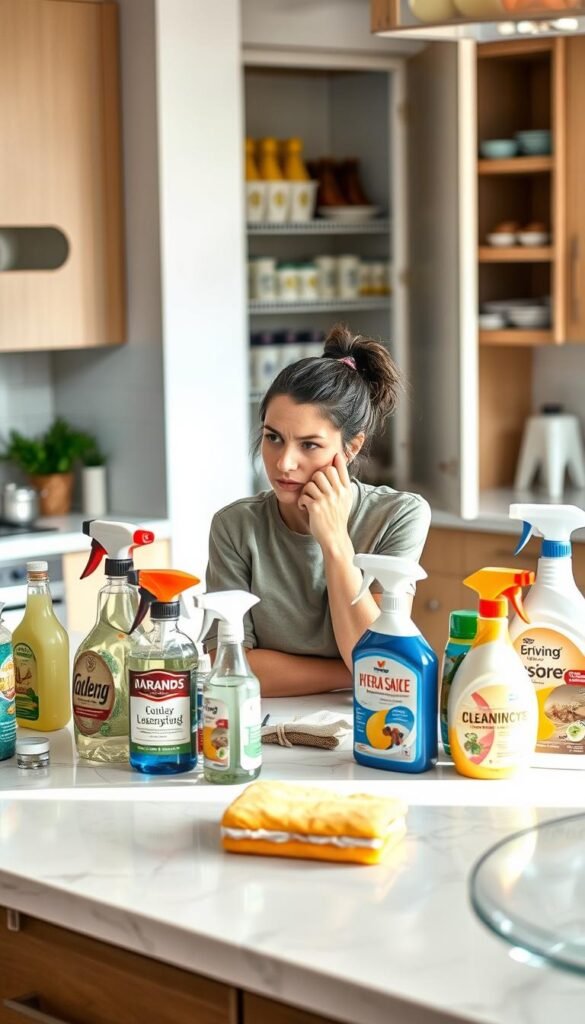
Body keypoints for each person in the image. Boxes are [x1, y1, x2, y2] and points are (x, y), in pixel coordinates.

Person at [205, 324, 431, 696]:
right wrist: (351, 674)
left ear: (351, 448)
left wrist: (335, 541)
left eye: (309, 445)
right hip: (261, 724)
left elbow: (378, 662)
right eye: (273, 438)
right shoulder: (235, 526)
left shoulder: (399, 517)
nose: (284, 463)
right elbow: (227, 666)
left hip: (365, 721)